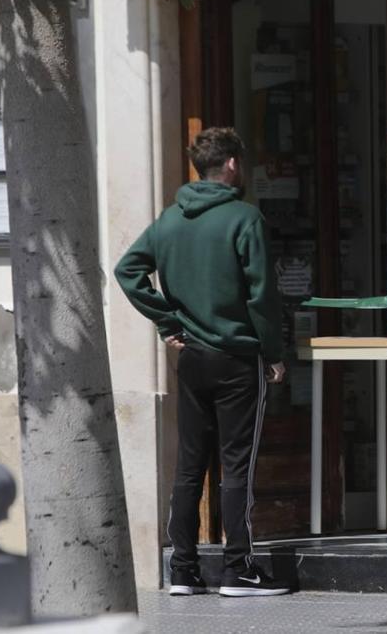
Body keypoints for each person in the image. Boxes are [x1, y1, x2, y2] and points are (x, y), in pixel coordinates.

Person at [115, 127, 289, 597]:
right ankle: (240, 569)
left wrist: (167, 321)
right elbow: (261, 294)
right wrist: (273, 352)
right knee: (238, 466)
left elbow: (127, 269)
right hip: (236, 357)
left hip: (191, 358)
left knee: (190, 465)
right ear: (231, 163)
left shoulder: (169, 220)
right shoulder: (244, 218)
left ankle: (183, 569)